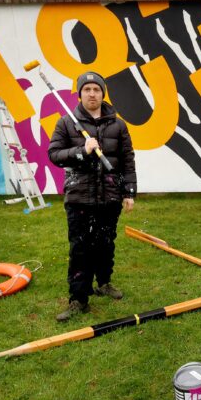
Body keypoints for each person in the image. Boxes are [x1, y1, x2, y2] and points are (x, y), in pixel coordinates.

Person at [48, 71, 137, 322]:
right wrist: (81, 150)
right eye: (86, 89)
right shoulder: (67, 122)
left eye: (96, 89)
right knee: (80, 249)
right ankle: (78, 299)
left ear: (102, 93)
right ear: (80, 93)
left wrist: (129, 192)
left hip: (110, 195)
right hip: (79, 197)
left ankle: (104, 282)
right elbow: (54, 154)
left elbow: (127, 160)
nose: (92, 93)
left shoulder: (117, 124)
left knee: (106, 242)